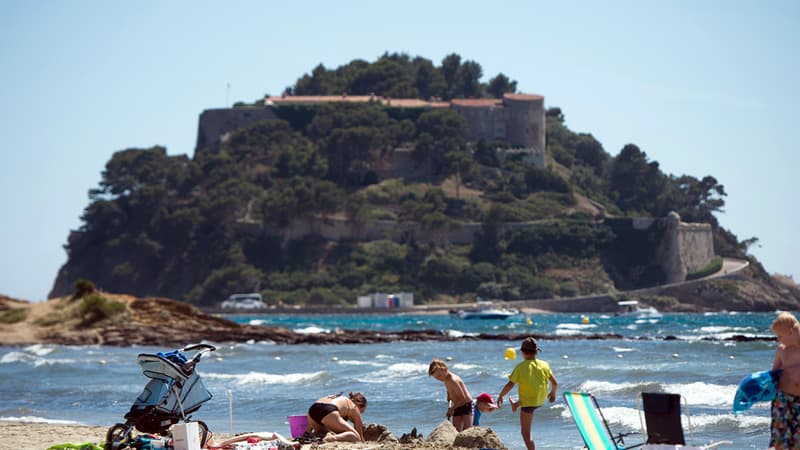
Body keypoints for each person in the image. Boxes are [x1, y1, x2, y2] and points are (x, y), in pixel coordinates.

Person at [496, 337, 557, 450]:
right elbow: (555, 383)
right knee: (529, 391)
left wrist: (501, 395)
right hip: (541, 399)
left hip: (529, 404)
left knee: (525, 432)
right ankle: (516, 404)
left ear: (523, 352)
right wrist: (553, 394)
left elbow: (510, 384)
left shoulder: (520, 367)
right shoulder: (545, 365)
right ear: (536, 351)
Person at [770, 312, 800, 449]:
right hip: (782, 399)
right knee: (780, 441)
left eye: (780, 336)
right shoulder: (781, 350)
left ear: (791, 332)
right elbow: (773, 374)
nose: (778, 339)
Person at [428, 358, 473, 431]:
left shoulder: (453, 380)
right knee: (456, 430)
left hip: (466, 404)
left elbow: (463, 399)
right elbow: (449, 392)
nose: (439, 379)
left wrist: (452, 409)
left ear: (445, 369)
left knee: (467, 429)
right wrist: (449, 400)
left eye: (439, 376)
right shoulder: (446, 379)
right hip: (457, 405)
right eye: (436, 378)